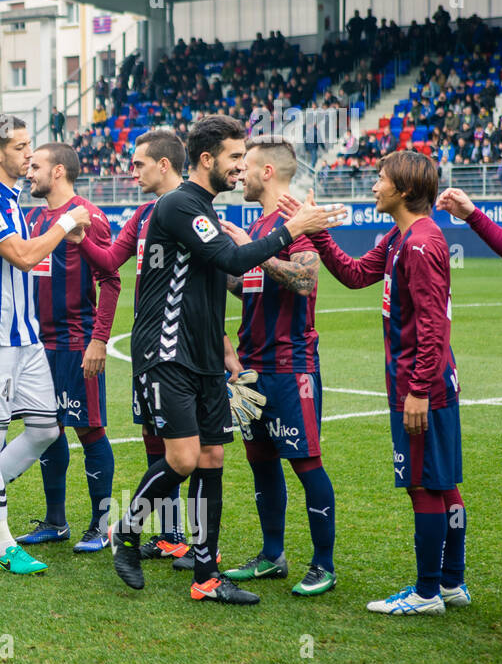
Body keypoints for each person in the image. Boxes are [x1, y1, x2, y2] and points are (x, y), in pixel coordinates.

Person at [108, 114, 343, 604]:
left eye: (245, 159)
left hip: (205, 360)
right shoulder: (178, 204)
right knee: (183, 457)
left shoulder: (208, 212)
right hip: (168, 354)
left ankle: (207, 576)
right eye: (236, 157)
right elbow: (235, 261)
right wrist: (292, 229)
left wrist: (228, 354)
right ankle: (126, 530)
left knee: (212, 457)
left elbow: (218, 283)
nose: (241, 167)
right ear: (208, 159)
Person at [284, 154, 468, 615]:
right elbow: (354, 274)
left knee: (424, 485)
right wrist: (317, 233)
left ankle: (427, 593)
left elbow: (431, 324)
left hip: (421, 383)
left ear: (404, 191)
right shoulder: (401, 236)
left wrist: (420, 388)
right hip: (422, 379)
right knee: (442, 483)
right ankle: (451, 583)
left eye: (381, 179)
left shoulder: (423, 243)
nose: (374, 185)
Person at [0, 114, 95, 575]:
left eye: (29, 146)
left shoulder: (9, 198)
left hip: (24, 339)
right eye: (19, 147)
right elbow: (26, 257)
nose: (28, 155)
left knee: (47, 429)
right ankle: (5, 544)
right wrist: (68, 219)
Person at [217, 136, 337, 597]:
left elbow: (305, 280)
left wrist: (255, 248)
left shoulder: (295, 224)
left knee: (306, 464)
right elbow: (247, 285)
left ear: (267, 172)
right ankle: (272, 557)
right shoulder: (262, 225)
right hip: (250, 369)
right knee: (261, 461)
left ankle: (323, 565)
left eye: (245, 166)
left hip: (291, 366)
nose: (239, 174)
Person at [76, 130, 188, 558]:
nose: (131, 170)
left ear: (163, 164)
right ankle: (172, 537)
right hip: (145, 348)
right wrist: (81, 240)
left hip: (179, 349)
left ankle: (194, 542)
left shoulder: (191, 208)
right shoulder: (143, 214)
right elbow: (108, 262)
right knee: (154, 440)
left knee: (189, 447)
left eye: (139, 163)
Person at [19, 142, 120, 551]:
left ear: (58, 171)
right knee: (46, 430)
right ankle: (56, 521)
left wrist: (99, 339)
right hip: (37, 345)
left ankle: (102, 525)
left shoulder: (88, 216)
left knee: (90, 430)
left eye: (36, 166)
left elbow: (110, 280)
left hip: (77, 342)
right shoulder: (31, 217)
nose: (29, 173)